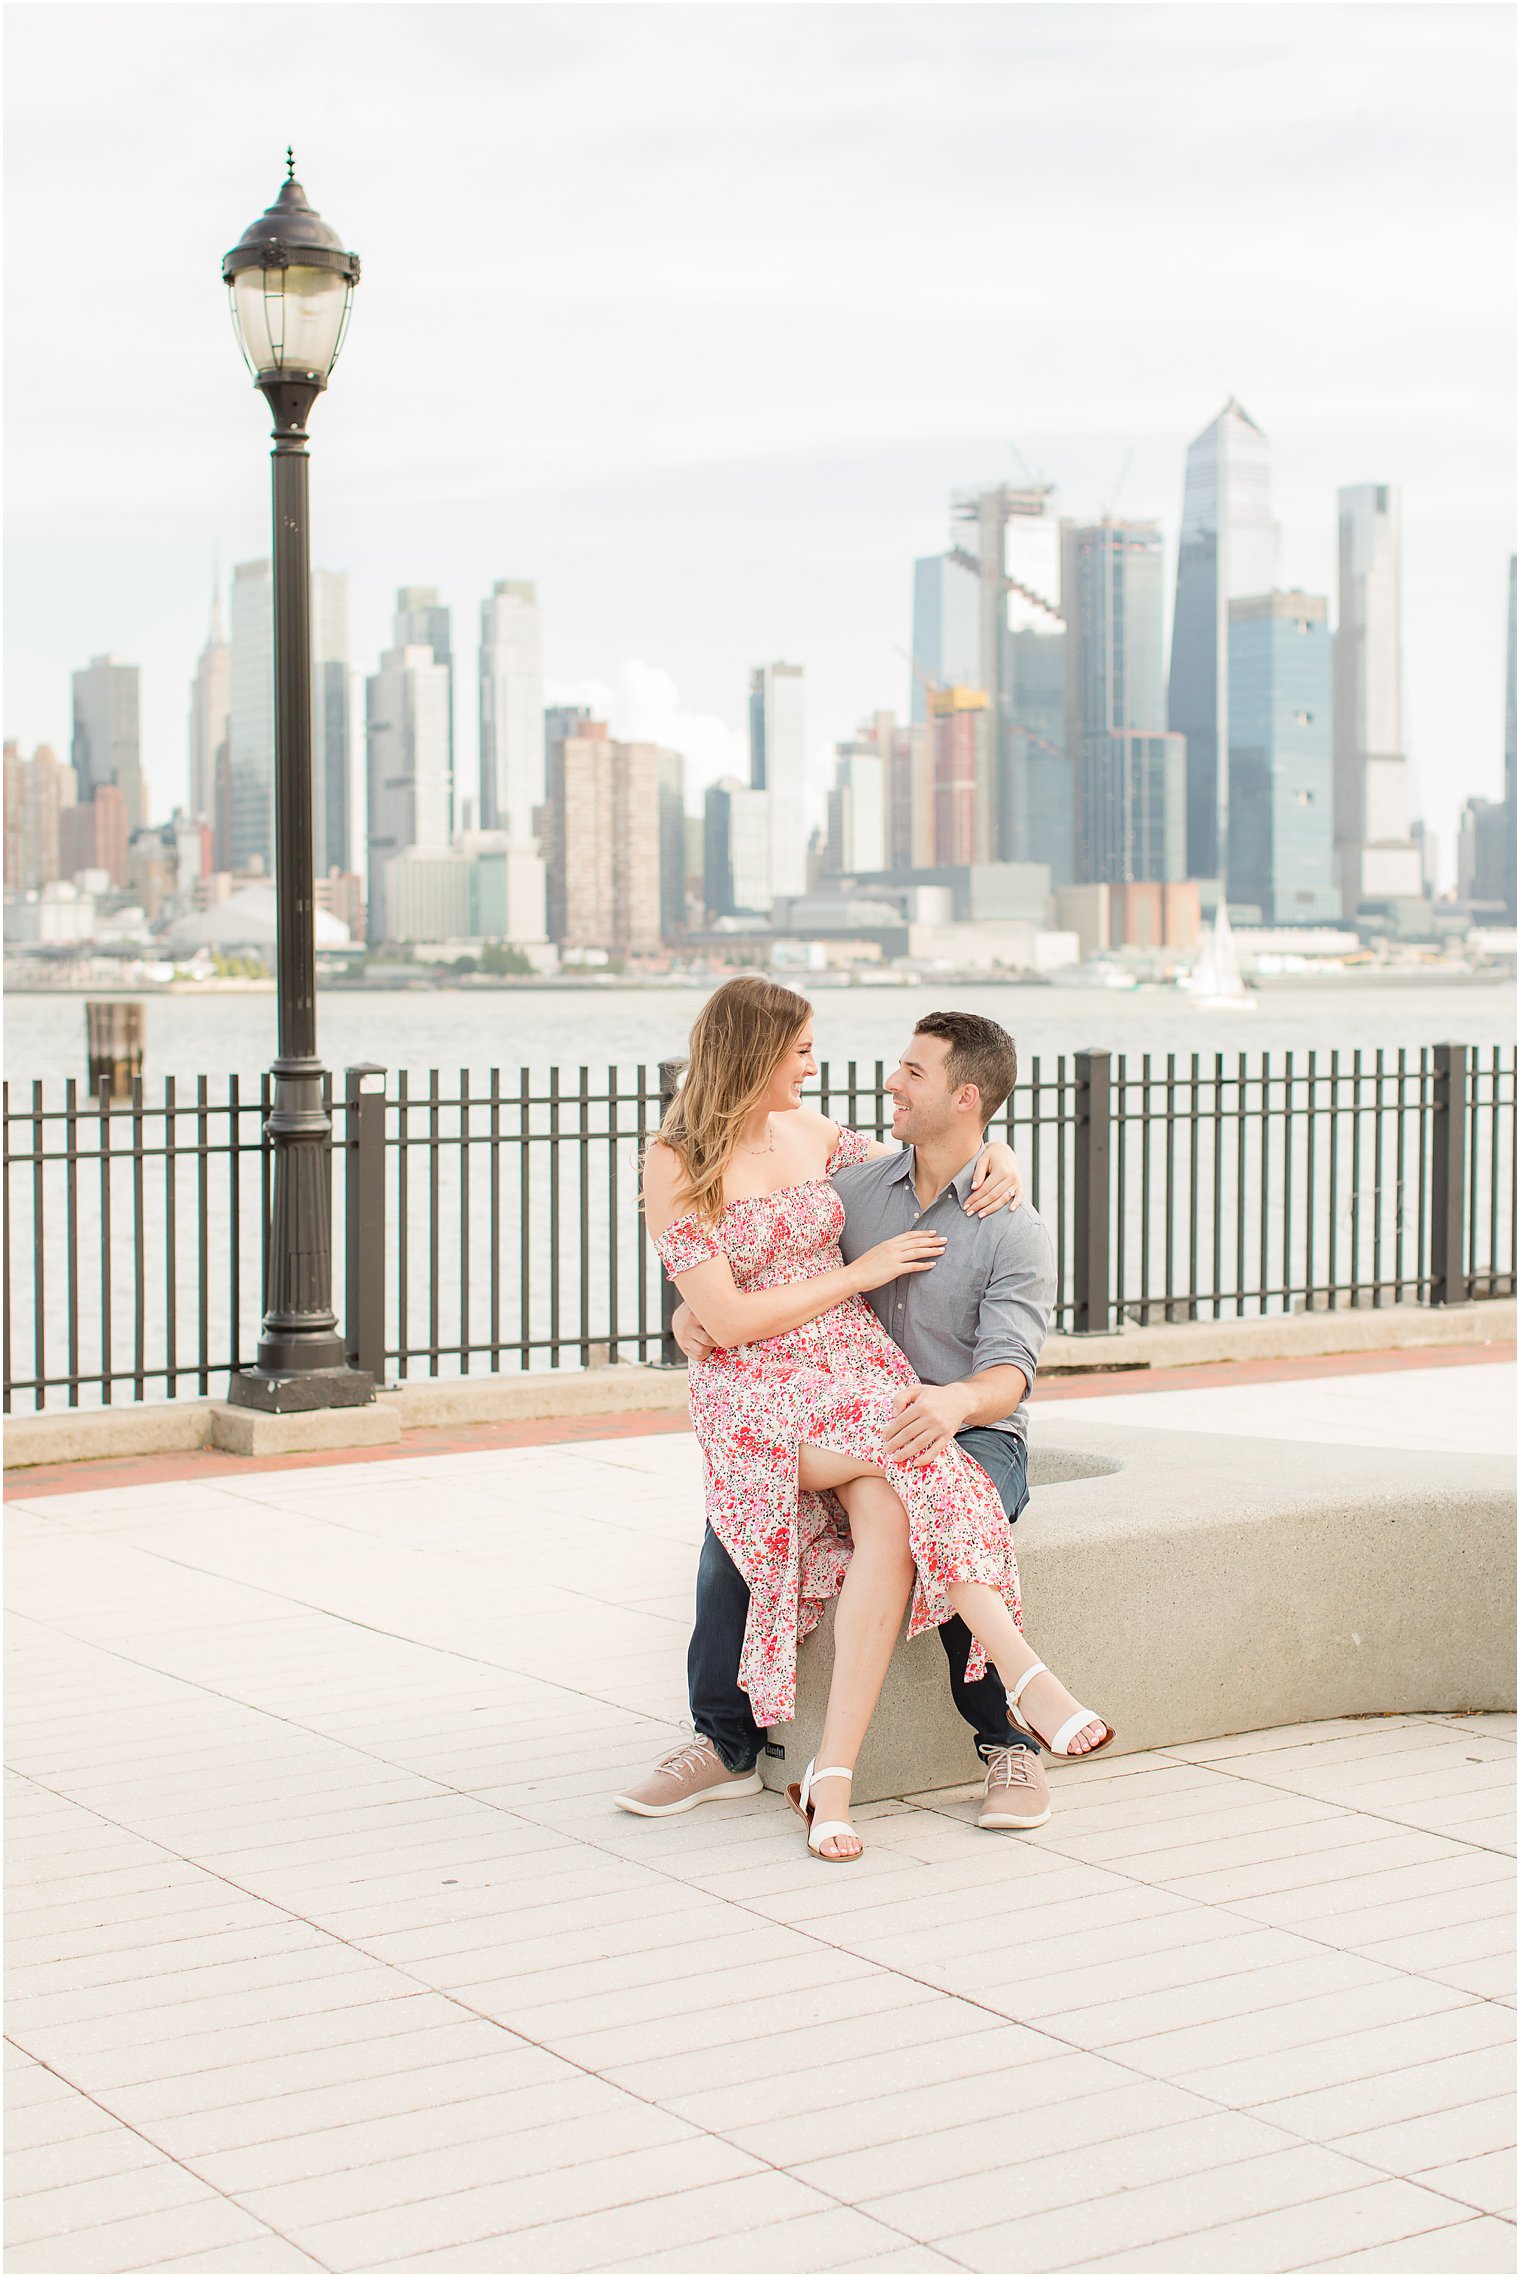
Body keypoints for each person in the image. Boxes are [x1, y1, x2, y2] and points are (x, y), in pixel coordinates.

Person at [626, 976, 1112, 1862]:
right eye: (803, 1049)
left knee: (897, 1500)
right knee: (773, 1515)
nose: (819, 1066)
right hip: (755, 1385)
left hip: (853, 1377)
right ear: (759, 1053)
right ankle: (1021, 1680)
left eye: (814, 1050)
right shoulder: (676, 1157)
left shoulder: (819, 1140)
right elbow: (727, 1318)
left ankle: (835, 1776)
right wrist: (851, 1275)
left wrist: (1004, 1154)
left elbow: (942, 1148)